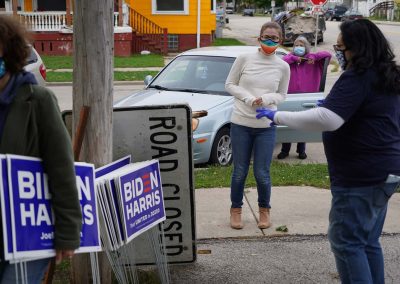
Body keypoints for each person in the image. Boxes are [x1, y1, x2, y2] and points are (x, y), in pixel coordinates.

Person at [256, 19, 400, 283]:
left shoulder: (358, 75)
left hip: (360, 177)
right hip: (385, 172)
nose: (338, 52)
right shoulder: (387, 74)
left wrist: (278, 117)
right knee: (367, 241)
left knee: (347, 243)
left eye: (341, 47)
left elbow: (328, 119)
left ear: (357, 48)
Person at [0, 16, 82, 283]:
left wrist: (68, 231)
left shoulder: (37, 100)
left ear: (7, 50)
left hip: (26, 233)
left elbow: (61, 168)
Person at [225, 22, 290, 230]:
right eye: (266, 37)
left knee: (262, 173)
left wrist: (267, 98)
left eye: (274, 38)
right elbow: (230, 84)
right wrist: (248, 98)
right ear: (259, 37)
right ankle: (236, 210)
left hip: (265, 126)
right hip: (241, 123)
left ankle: (264, 210)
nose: (270, 41)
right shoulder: (245, 58)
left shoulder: (283, 66)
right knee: (239, 171)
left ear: (280, 41)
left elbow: (282, 94)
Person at [277, 36, 331, 160]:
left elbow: (327, 55)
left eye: (301, 45)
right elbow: (282, 62)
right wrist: (294, 58)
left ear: (306, 47)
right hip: (289, 97)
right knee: (288, 123)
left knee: (304, 124)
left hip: (306, 98)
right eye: (296, 45)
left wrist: (313, 56)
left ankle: (301, 150)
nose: (298, 47)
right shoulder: (289, 60)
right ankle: (285, 150)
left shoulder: (314, 62)